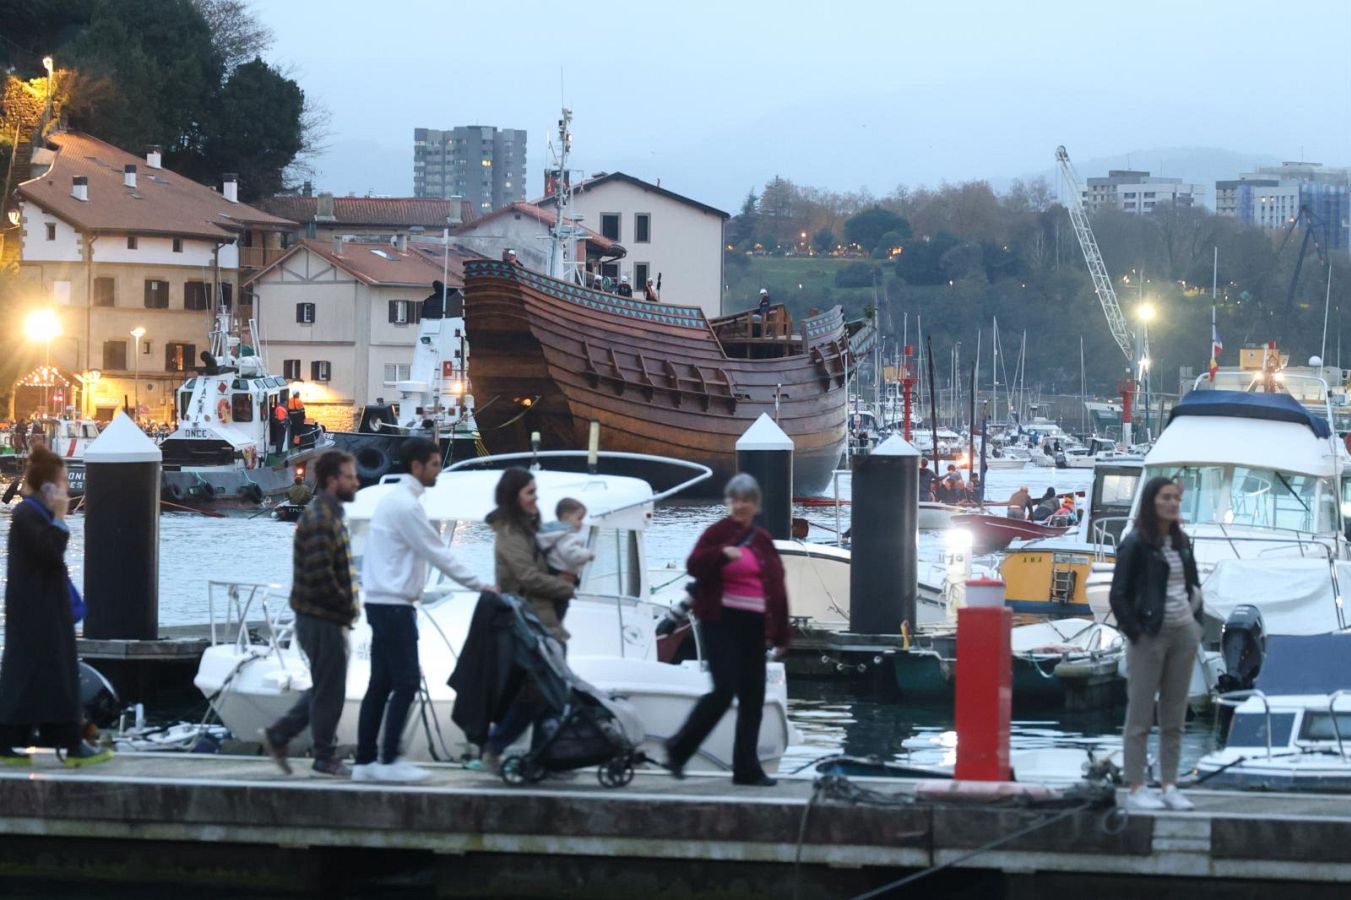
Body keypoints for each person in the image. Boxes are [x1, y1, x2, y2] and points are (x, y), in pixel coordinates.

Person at [354, 438, 496, 783]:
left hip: (381, 602)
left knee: (380, 683)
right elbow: (438, 553)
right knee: (405, 682)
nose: (438, 470)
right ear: (416, 467)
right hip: (395, 606)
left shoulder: (394, 502)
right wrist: (483, 585)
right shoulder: (407, 507)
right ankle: (388, 760)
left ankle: (366, 762)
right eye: (434, 464)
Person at [665, 473, 790, 786]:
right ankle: (678, 748)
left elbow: (777, 587)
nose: (740, 505)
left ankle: (747, 769)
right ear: (728, 502)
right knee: (724, 690)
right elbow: (694, 565)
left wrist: (782, 633)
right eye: (735, 499)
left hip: (754, 626)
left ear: (755, 505)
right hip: (720, 621)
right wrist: (722, 554)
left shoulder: (762, 541)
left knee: (753, 697)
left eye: (746, 500)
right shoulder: (716, 533)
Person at [0, 447, 112, 767]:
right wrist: (60, 518)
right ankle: (60, 740)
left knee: (36, 676)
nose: (66, 486)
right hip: (38, 614)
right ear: (48, 485)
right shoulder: (28, 515)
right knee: (51, 675)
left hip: (40, 612)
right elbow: (49, 552)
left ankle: (30, 738)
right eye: (61, 480)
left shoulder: (33, 514)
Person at [259, 451, 360, 777]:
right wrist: (346, 606)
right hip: (322, 618)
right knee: (330, 689)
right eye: (349, 476)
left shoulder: (328, 514)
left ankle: (280, 734)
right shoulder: (321, 518)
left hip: (323, 616)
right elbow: (320, 575)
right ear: (333, 480)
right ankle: (324, 755)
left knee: (324, 686)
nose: (355, 481)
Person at [1110, 477, 1203, 812]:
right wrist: (1136, 633)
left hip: (1183, 633)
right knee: (1139, 716)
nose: (1172, 503)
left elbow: (1191, 584)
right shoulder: (1136, 542)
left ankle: (1169, 785)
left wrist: (1196, 624)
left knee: (1174, 716)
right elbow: (1118, 594)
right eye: (1166, 497)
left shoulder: (1181, 542)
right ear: (1152, 501)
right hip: (1149, 635)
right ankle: (1136, 787)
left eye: (1176, 498)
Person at [478, 468, 577, 770]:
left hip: (542, 619)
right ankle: (499, 747)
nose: (536, 499)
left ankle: (540, 756)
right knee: (541, 691)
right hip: (528, 621)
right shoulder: (509, 533)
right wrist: (564, 587)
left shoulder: (531, 529)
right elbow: (526, 576)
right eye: (530, 493)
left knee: (547, 691)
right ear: (514, 497)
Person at [535, 497, 595, 580]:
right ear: (565, 517)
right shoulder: (566, 535)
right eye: (579, 519)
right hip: (563, 573)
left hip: (553, 570)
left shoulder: (554, 533)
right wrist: (588, 554)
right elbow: (572, 554)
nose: (581, 523)